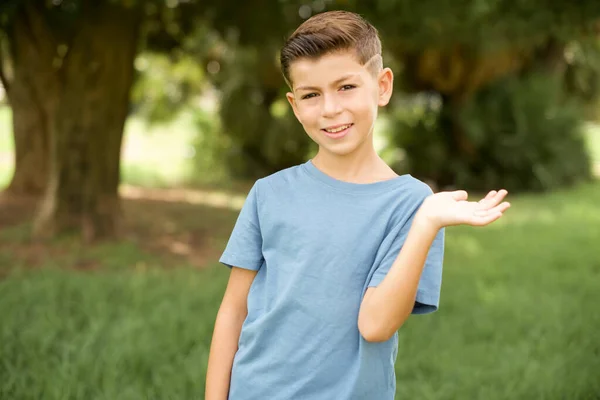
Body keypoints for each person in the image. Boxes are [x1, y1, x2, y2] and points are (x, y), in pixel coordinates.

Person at [205, 10, 510, 400]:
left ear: (382, 86)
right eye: (311, 95)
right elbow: (233, 311)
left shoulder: (414, 206)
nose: (330, 108)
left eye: (346, 87)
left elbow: (376, 325)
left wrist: (427, 223)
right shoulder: (269, 193)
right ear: (295, 105)